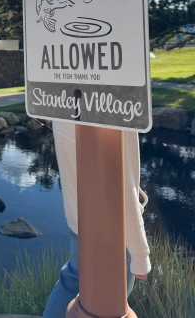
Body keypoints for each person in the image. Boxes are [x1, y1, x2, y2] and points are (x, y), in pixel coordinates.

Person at [42, 120, 151, 318]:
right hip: (114, 227)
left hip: (77, 216)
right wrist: (139, 253)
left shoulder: (60, 96)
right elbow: (121, 180)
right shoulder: (111, 99)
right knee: (110, 307)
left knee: (73, 277)